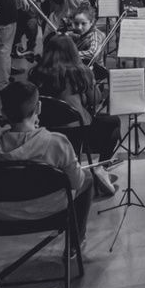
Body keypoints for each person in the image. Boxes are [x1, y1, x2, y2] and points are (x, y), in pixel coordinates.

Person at [0, 82, 92, 259]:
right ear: (38, 107)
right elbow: (77, 183)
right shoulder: (57, 143)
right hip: (50, 209)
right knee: (88, 178)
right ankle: (74, 243)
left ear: (4, 112)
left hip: (1, 213)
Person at [28, 34, 121, 192]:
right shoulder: (80, 72)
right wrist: (91, 81)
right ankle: (101, 168)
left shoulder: (35, 73)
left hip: (45, 130)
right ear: (73, 52)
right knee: (114, 123)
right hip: (79, 132)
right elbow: (95, 100)